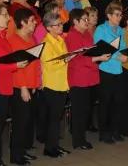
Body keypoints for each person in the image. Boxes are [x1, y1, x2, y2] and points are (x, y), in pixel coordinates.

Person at [0, 3, 27, 166]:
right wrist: (15, 65)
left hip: (5, 86)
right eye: (5, 15)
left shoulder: (2, 35)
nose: (8, 18)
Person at [66, 9, 111, 150]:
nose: (87, 22)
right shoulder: (72, 36)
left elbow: (91, 51)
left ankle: (81, 137)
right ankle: (78, 141)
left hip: (90, 77)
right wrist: (98, 58)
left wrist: (100, 54)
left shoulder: (86, 33)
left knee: (86, 110)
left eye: (87, 19)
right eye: (84, 20)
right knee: (80, 111)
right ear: (75, 22)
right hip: (79, 79)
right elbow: (77, 60)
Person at [7, 8, 41, 165]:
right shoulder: (14, 41)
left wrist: (35, 83)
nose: (35, 23)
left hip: (30, 85)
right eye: (32, 21)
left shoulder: (31, 39)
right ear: (23, 22)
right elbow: (16, 68)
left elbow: (34, 64)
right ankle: (16, 156)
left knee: (27, 121)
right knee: (20, 122)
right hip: (21, 87)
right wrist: (23, 87)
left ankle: (22, 151)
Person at [94, 2, 128, 144]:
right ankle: (104, 133)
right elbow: (100, 48)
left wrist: (124, 55)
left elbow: (124, 46)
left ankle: (115, 130)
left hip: (118, 70)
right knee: (105, 103)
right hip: (105, 70)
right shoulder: (101, 29)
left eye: (121, 15)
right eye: (117, 15)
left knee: (118, 102)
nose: (119, 17)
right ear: (109, 15)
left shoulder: (120, 30)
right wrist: (118, 56)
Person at [40, 12, 70, 157]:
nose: (61, 26)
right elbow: (50, 65)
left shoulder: (60, 40)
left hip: (62, 84)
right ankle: (49, 149)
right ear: (48, 27)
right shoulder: (45, 44)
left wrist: (67, 58)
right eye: (57, 24)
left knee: (57, 118)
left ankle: (55, 146)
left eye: (61, 23)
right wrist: (66, 59)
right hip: (52, 85)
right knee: (53, 119)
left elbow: (63, 58)